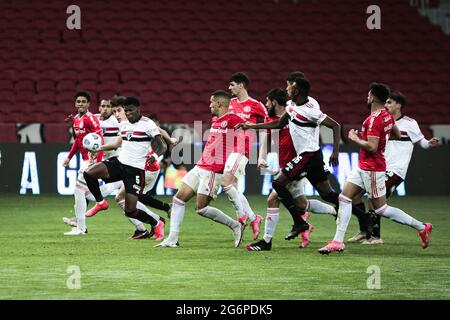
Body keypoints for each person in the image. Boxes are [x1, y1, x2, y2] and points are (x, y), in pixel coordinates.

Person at [318, 83, 432, 255]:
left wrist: (355, 138)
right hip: (363, 166)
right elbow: (396, 133)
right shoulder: (386, 115)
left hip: (372, 168)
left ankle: (422, 227)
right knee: (344, 197)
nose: (367, 97)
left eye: (368, 94)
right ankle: (337, 241)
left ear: (373, 97)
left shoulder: (373, 120)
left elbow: (371, 147)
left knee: (380, 209)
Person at [236, 77, 341, 242]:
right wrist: (262, 157)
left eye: (268, 102)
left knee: (273, 199)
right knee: (302, 204)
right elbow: (266, 141)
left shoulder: (295, 114)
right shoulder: (277, 118)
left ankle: (269, 239)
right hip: (286, 164)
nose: (266, 105)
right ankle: (332, 212)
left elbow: (309, 133)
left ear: (274, 102)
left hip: (299, 163)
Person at [348, 91, 440, 244]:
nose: (386, 105)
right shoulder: (383, 120)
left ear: (399, 105)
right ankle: (364, 230)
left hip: (396, 170)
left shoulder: (410, 123)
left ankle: (376, 236)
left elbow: (422, 142)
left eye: (390, 102)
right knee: (356, 196)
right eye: (386, 102)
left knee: (374, 199)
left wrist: (429, 143)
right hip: (378, 167)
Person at [156, 90, 246, 248]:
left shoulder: (234, 119)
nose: (209, 105)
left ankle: (235, 225)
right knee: (178, 199)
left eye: (212, 102)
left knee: (201, 208)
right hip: (200, 166)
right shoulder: (215, 120)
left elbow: (248, 131)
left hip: (213, 170)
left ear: (219, 103)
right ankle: (172, 238)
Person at [82, 96, 168, 236]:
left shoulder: (147, 124)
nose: (127, 113)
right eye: (126, 111)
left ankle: (156, 223)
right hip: (119, 164)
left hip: (135, 171)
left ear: (138, 110)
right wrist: (98, 149)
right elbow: (116, 144)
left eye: (130, 110)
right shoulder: (123, 124)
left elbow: (162, 146)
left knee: (130, 210)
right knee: (89, 173)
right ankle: (100, 202)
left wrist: (154, 156)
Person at [223, 72, 266, 240]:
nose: (229, 88)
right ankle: (254, 218)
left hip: (242, 149)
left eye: (232, 84)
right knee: (233, 187)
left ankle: (241, 217)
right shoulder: (229, 104)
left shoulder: (256, 106)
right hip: (226, 149)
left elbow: (265, 130)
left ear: (241, 85)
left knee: (227, 183)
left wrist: (261, 155)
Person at [63, 91, 104, 235]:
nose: (80, 104)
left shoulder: (90, 118)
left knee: (78, 190)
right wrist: (69, 157)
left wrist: (96, 158)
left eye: (83, 101)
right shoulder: (75, 119)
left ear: (88, 104)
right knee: (83, 193)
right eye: (78, 101)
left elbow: (99, 138)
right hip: (86, 160)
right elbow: (78, 141)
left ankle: (81, 227)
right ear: (75, 104)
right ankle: (82, 225)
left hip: (92, 160)